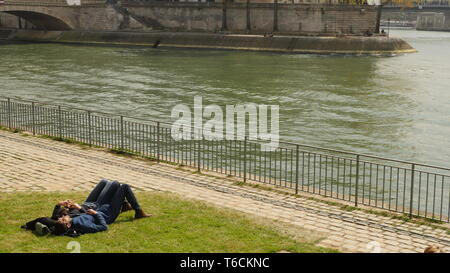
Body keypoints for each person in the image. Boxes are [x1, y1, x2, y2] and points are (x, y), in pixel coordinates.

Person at [54, 181, 151, 235]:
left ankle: (125, 205)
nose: (62, 217)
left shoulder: (73, 220)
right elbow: (103, 227)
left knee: (116, 185)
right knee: (124, 187)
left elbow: (58, 219)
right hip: (108, 215)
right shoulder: (83, 225)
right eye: (63, 219)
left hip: (100, 209)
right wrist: (96, 214)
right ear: (68, 225)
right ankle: (138, 212)